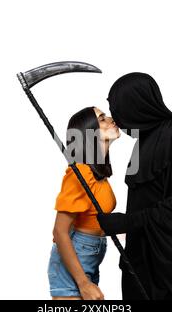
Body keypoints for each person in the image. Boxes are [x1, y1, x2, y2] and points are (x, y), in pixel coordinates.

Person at [97, 73, 172, 300]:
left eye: (118, 107)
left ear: (136, 103)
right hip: (140, 264)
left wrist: (127, 222)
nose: (115, 116)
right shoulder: (144, 141)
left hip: (168, 272)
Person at [48, 106, 121, 300]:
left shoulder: (98, 175)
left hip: (89, 260)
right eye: (102, 118)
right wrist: (83, 283)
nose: (111, 119)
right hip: (73, 268)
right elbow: (59, 231)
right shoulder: (79, 173)